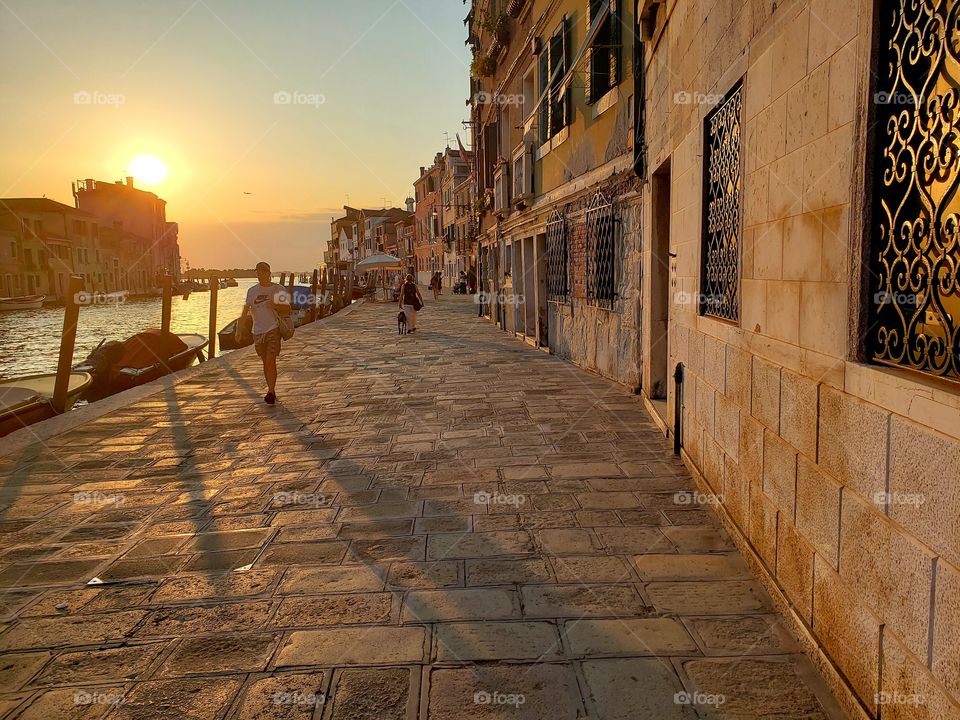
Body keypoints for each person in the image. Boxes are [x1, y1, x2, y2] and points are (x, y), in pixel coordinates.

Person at [241, 262, 291, 404]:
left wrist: (275, 305)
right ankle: (271, 390)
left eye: (263, 272)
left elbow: (287, 309)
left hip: (273, 329)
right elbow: (245, 310)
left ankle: (270, 390)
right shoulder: (251, 291)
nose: (260, 274)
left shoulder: (278, 289)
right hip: (257, 331)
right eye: (258, 272)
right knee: (265, 362)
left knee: (270, 359)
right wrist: (239, 329)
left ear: (269, 273)